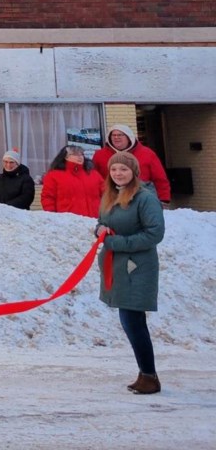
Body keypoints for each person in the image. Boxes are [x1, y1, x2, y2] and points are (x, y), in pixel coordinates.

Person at [95, 151, 166, 395]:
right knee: (131, 321)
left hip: (137, 267)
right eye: (114, 169)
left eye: (123, 169)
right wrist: (100, 230)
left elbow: (154, 233)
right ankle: (146, 373)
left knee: (133, 321)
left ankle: (149, 376)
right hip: (117, 266)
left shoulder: (145, 198)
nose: (118, 173)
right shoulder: (110, 194)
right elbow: (102, 222)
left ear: (134, 172)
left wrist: (116, 243)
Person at [92, 125, 171, 204]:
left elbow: (160, 179)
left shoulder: (147, 153)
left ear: (129, 137)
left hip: (141, 197)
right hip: (111, 199)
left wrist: (164, 199)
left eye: (120, 135)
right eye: (113, 135)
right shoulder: (99, 155)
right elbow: (93, 179)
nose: (116, 137)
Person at [42, 145, 105, 217]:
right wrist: (52, 217)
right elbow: (48, 198)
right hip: (68, 222)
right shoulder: (53, 176)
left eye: (81, 154)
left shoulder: (94, 174)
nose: (80, 156)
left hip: (94, 219)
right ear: (65, 157)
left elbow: (106, 195)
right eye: (75, 154)